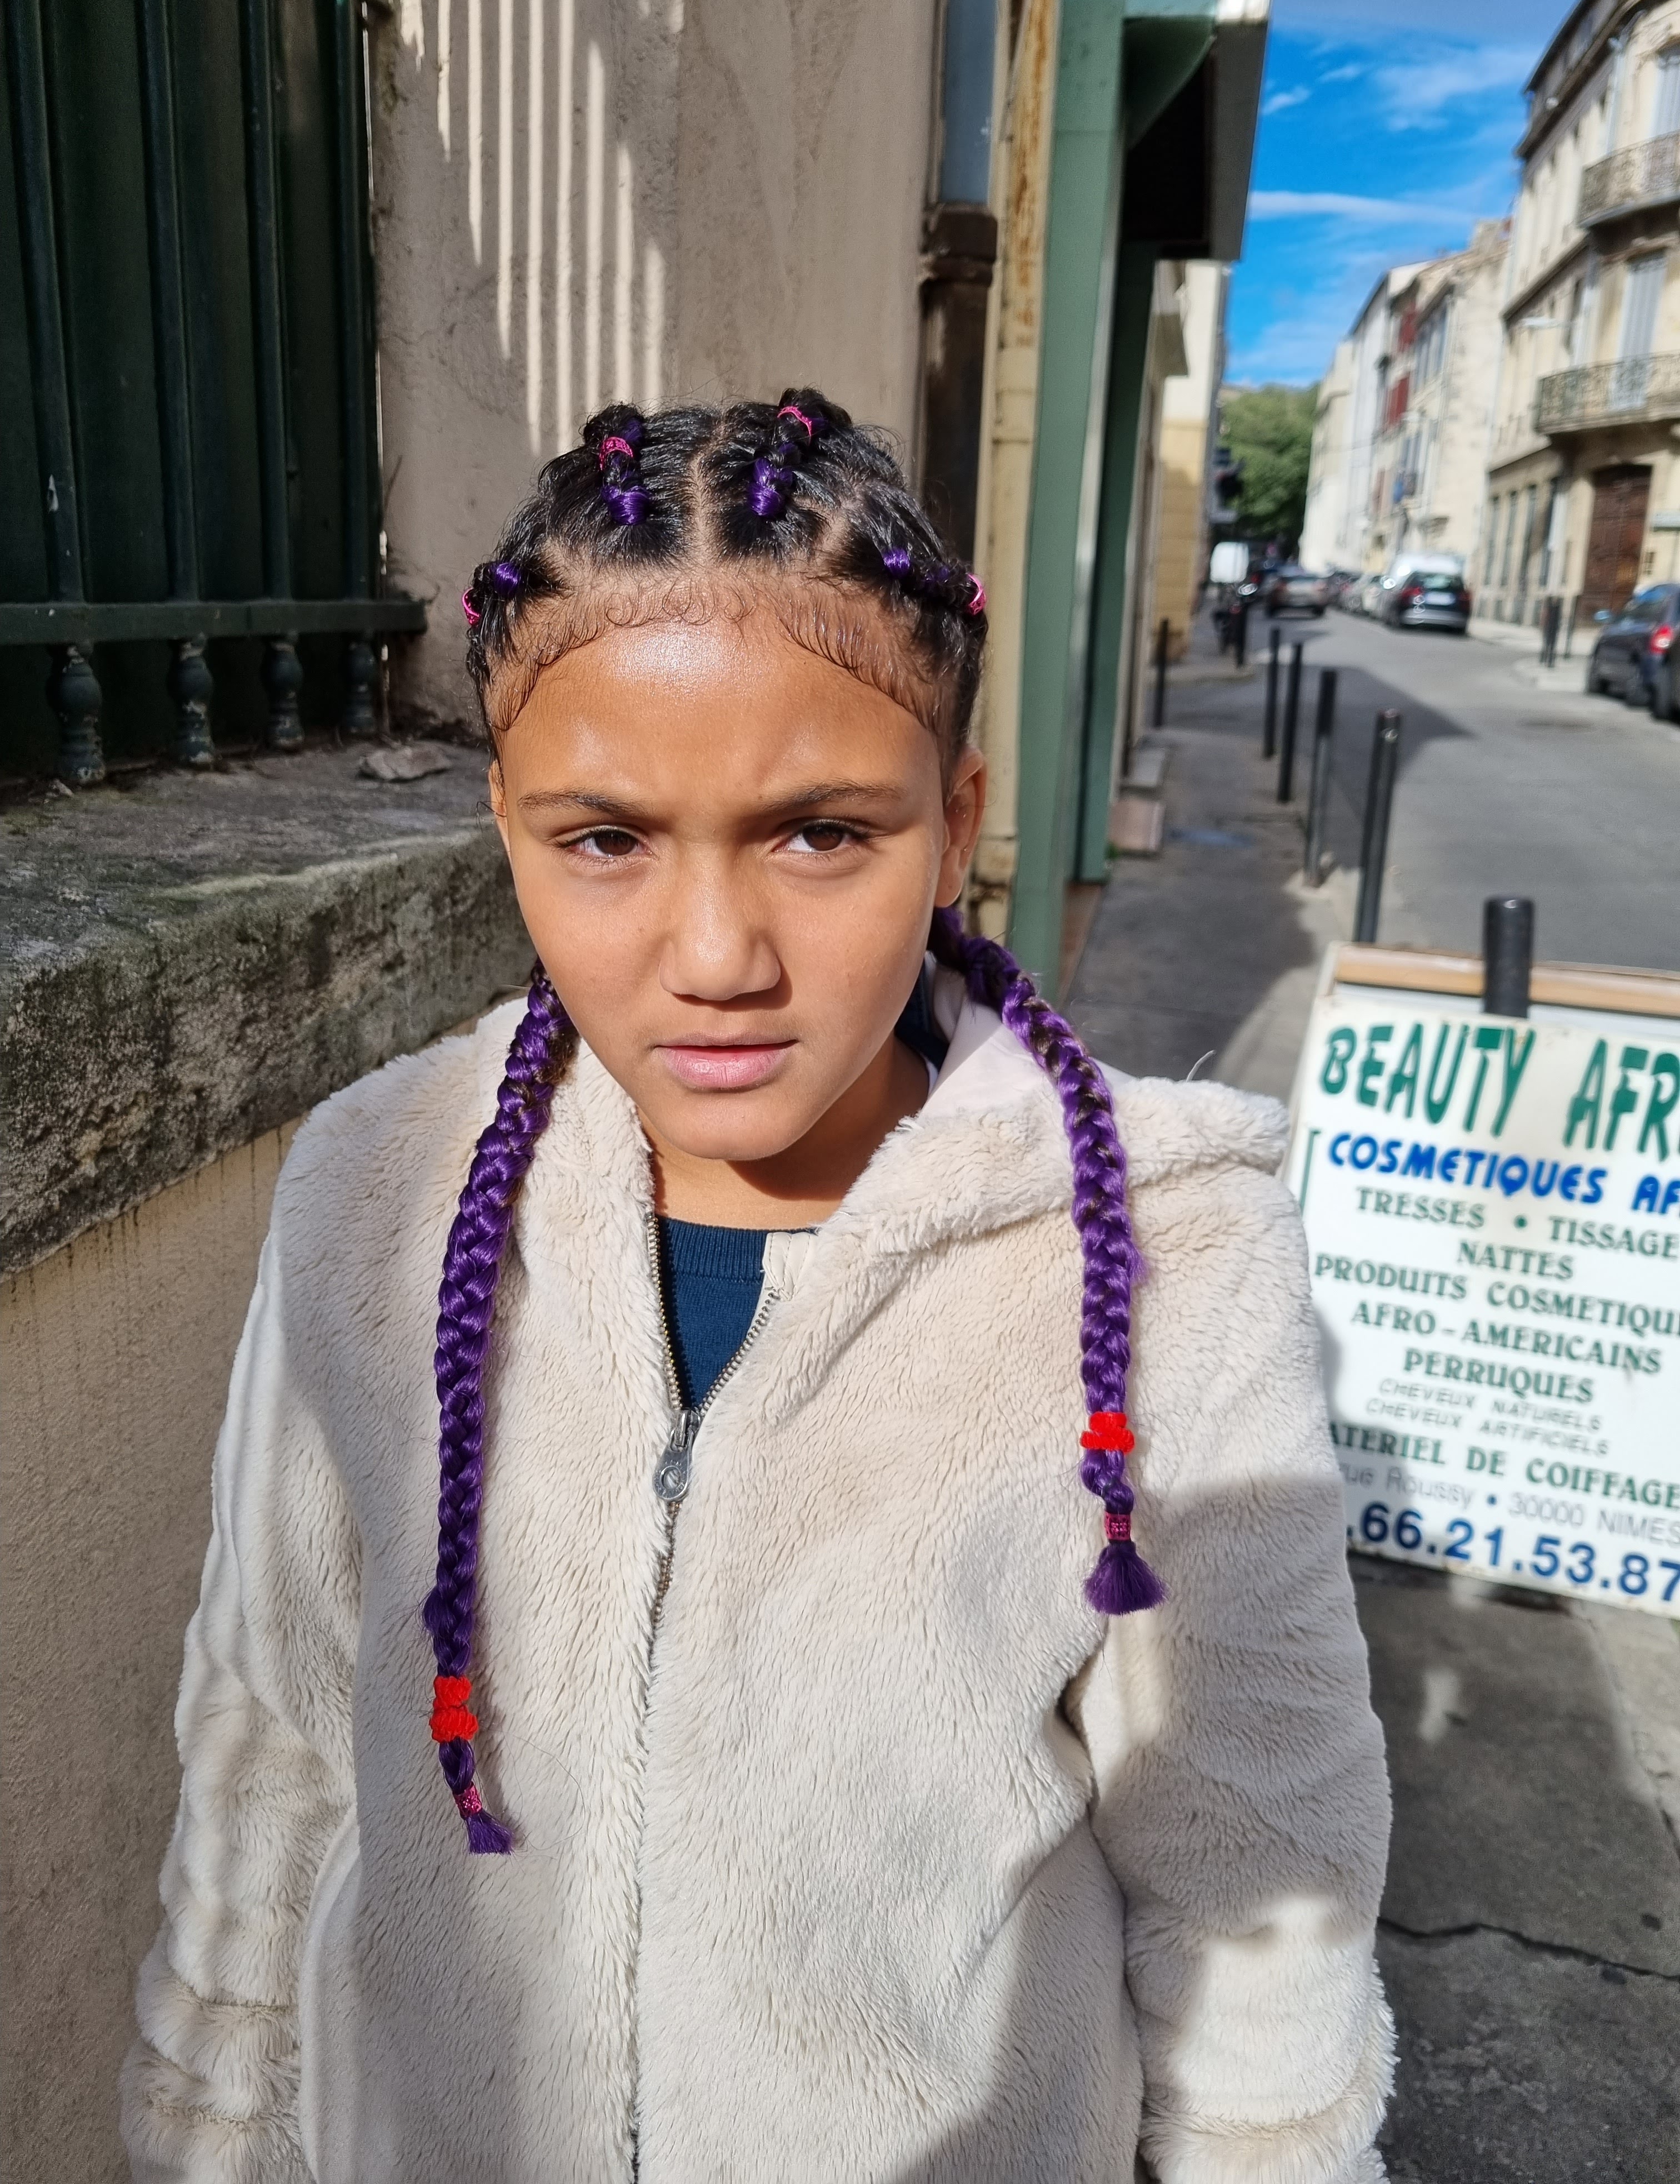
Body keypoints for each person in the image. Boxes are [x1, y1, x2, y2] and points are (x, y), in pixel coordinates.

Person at [122, 392, 1393, 2182]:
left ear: (953, 825)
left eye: (820, 834)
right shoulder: (369, 1192)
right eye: (604, 839)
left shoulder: (1172, 1258)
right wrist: (208, 2133)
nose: (715, 957)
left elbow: (1255, 1885)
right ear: (505, 822)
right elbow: (271, 1738)